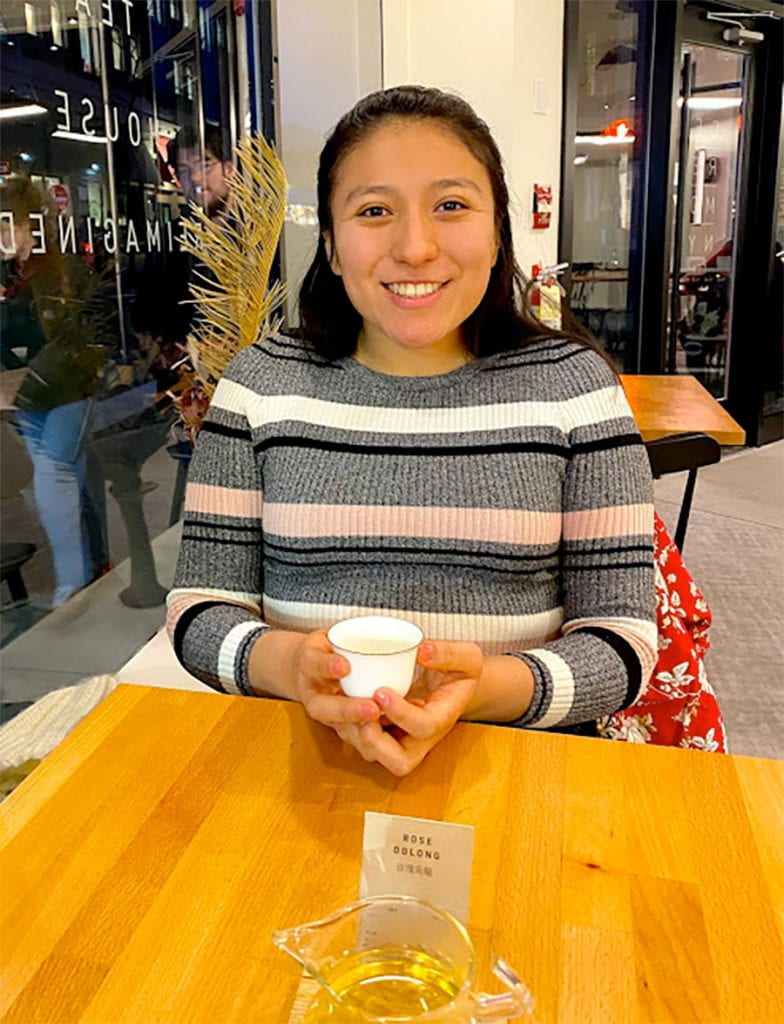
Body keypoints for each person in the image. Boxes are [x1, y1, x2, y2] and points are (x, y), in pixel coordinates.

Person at [167, 86, 657, 776]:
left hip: (517, 771)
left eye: (451, 206)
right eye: (374, 211)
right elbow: (199, 607)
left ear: (496, 232)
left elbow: (624, 639)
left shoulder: (573, 386)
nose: (416, 247)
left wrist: (480, 688)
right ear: (332, 247)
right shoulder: (261, 384)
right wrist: (287, 666)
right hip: (299, 770)